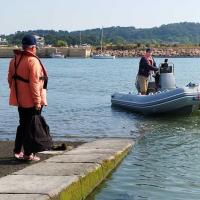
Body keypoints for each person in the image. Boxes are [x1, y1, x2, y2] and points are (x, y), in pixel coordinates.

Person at [8, 34, 48, 161]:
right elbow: (35, 84)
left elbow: (9, 80)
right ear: (32, 47)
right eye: (35, 47)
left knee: (23, 125)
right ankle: (28, 154)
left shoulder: (14, 60)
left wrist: (17, 92)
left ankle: (17, 150)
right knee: (32, 127)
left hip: (20, 99)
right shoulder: (33, 61)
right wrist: (37, 101)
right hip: (32, 100)